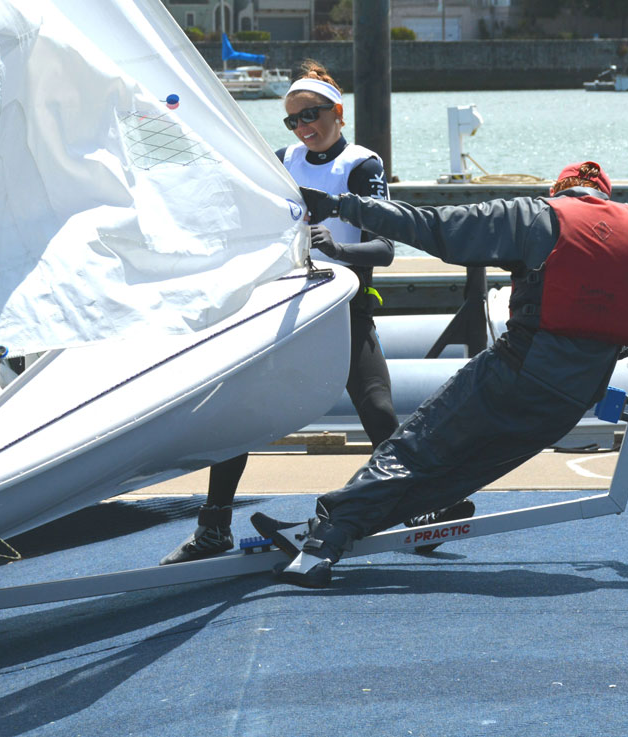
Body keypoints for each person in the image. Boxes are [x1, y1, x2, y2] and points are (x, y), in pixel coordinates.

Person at [251, 160, 628, 587]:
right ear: (605, 196)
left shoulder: (532, 215)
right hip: (576, 394)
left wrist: (342, 207)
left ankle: (321, 543)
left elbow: (431, 225)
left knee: (417, 446)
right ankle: (338, 522)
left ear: (559, 192)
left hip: (519, 370)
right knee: (463, 472)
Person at [161, 61, 469, 565]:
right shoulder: (283, 160)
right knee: (236, 415)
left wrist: (340, 249)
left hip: (344, 309)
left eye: (313, 114)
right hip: (290, 313)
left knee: (378, 412)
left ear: (338, 113)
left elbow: (386, 249)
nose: (304, 126)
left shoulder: (364, 166)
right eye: (294, 119)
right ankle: (213, 530)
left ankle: (423, 509)